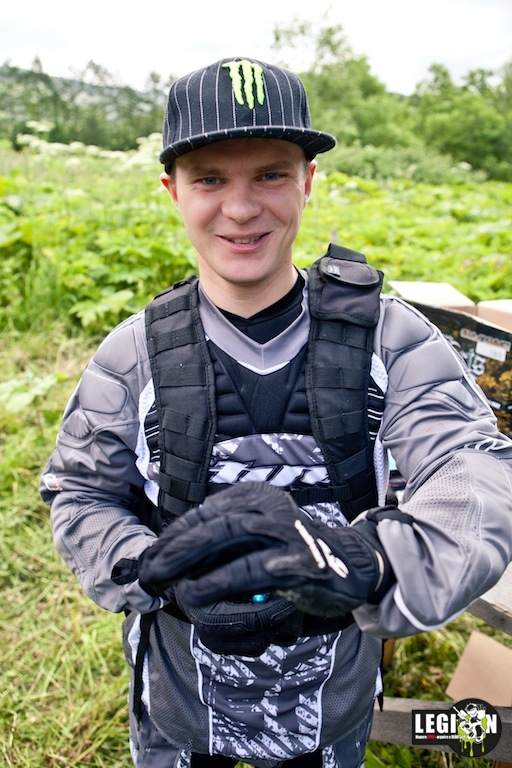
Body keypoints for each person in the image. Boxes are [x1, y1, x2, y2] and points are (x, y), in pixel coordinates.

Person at [40, 56, 512, 768]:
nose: (240, 209)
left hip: (332, 704)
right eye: (210, 180)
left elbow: (478, 476)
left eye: (269, 175)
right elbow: (79, 491)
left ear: (308, 181)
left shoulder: (393, 340)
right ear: (172, 190)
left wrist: (367, 560)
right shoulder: (131, 356)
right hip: (180, 703)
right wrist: (147, 566)